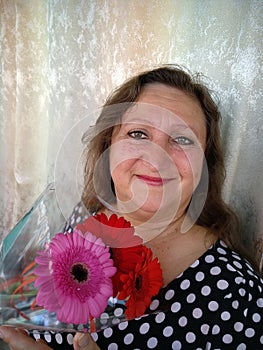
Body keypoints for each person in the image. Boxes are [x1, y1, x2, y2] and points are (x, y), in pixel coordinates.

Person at [0, 65, 262, 350]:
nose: (156, 157)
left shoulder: (237, 295)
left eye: (183, 139)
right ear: (108, 147)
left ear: (205, 166)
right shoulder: (81, 216)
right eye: (138, 134)